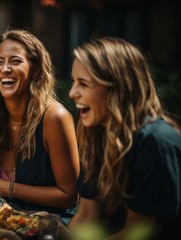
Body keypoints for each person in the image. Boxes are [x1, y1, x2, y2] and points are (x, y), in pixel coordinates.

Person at [67, 37, 181, 239]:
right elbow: (86, 216)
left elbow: (136, 234)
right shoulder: (94, 134)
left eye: (83, 83)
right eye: (74, 81)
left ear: (118, 87)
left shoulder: (155, 142)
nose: (72, 93)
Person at [0, 29, 80, 224]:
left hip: (50, 222)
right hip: (2, 219)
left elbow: (70, 196)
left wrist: (9, 188)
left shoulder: (54, 117)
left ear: (35, 70)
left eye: (15, 61)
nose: (5, 69)